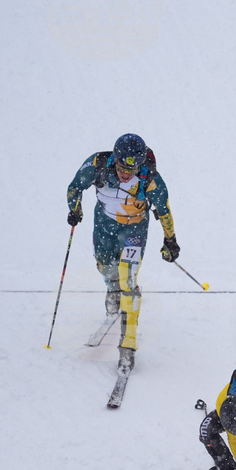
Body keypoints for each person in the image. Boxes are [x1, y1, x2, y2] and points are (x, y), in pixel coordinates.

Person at [65, 134, 179, 371]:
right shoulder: (97, 164)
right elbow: (75, 187)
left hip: (134, 229)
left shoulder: (151, 179)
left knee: (128, 280)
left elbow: (164, 210)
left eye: (131, 170)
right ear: (114, 160)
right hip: (104, 225)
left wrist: (170, 240)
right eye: (121, 168)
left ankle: (128, 345)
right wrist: (75, 209)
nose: (125, 174)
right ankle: (112, 290)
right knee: (105, 268)